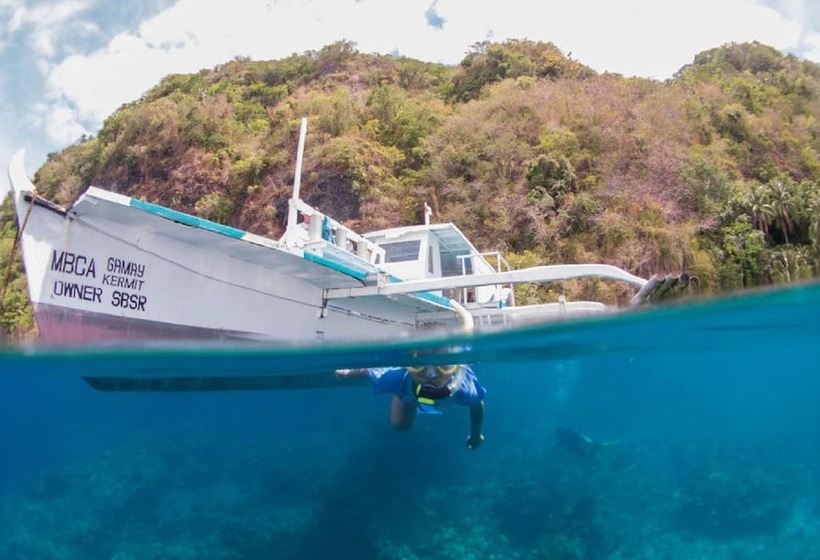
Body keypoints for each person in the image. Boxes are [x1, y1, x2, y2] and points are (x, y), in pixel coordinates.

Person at [336, 362, 486, 450]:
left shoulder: (463, 389)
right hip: (407, 392)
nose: (431, 375)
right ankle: (401, 395)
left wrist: (475, 433)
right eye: (419, 366)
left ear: (454, 368)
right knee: (400, 425)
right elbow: (366, 371)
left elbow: (477, 405)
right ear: (408, 367)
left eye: (443, 366)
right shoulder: (394, 378)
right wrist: (348, 373)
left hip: (415, 391)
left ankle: (408, 394)